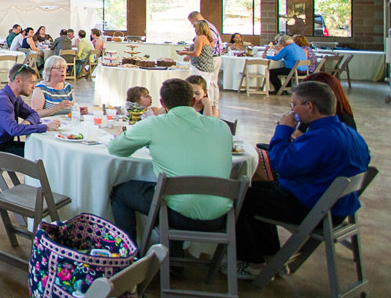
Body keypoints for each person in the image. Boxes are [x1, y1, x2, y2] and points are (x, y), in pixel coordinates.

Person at [235, 81, 370, 279]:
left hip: (312, 208)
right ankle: (272, 257)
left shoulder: (320, 138)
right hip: (338, 206)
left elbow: (280, 165)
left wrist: (283, 130)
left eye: (294, 105)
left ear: (310, 106)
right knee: (257, 190)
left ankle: (252, 263)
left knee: (238, 195)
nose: (292, 110)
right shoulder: (350, 133)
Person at [108, 79, 234, 247]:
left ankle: (130, 257)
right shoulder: (221, 127)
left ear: (162, 103)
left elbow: (115, 149)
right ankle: (174, 258)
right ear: (193, 101)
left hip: (176, 214)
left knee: (121, 192)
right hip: (220, 215)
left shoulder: (154, 124)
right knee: (172, 194)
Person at [0, 64, 60, 154]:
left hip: (6, 145)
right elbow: (14, 130)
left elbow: (34, 114)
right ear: (18, 81)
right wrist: (46, 127)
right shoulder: (1, 101)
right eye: (31, 82)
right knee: (44, 154)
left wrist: (28, 122)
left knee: (46, 150)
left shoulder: (14, 98)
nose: (34, 87)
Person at [179, 20, 218, 101]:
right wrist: (190, 49)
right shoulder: (209, 39)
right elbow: (204, 50)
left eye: (195, 28)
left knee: (197, 87)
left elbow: (197, 53)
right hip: (209, 67)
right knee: (206, 87)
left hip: (200, 66)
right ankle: (208, 104)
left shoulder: (199, 38)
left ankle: (198, 103)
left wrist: (184, 52)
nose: (195, 30)